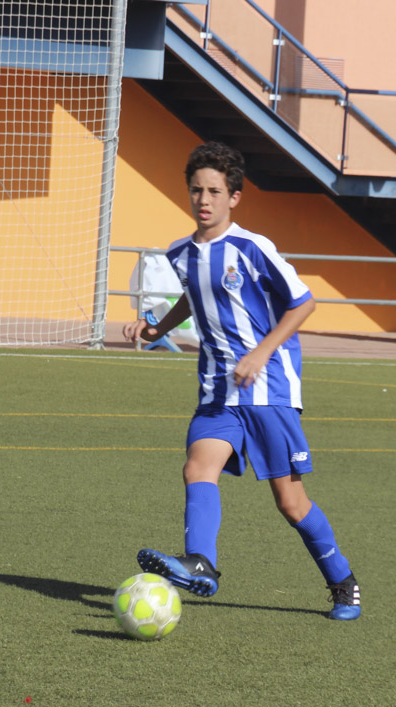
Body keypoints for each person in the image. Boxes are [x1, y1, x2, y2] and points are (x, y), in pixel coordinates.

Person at [122, 141, 360, 620]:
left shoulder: (253, 249)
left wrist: (261, 351)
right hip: (217, 390)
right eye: (196, 190)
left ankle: (343, 583)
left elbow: (303, 303)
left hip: (268, 388)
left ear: (234, 197)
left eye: (214, 190)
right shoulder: (181, 253)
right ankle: (201, 563)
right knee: (197, 468)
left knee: (291, 503)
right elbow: (194, 296)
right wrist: (156, 329)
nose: (203, 199)